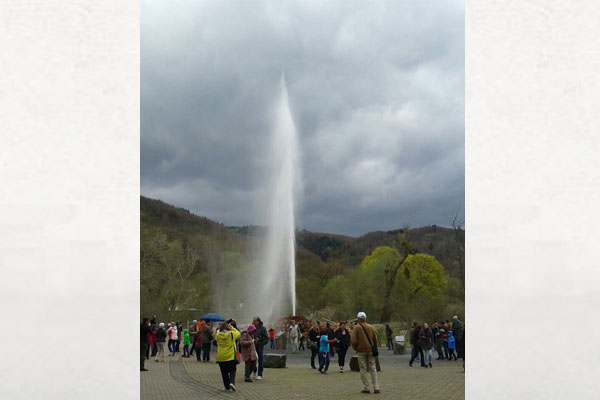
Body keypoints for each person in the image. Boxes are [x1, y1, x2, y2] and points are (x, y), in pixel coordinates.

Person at [351, 312, 380, 394]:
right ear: (365, 318)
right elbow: (375, 339)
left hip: (361, 351)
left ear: (358, 319)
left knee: (363, 369)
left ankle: (366, 387)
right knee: (373, 368)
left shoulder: (356, 328)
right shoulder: (371, 327)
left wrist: (356, 348)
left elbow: (353, 340)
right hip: (370, 350)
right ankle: (376, 387)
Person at [216, 321, 240, 391]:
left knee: (224, 372)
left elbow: (217, 333)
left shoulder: (218, 335)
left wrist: (221, 327)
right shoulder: (231, 334)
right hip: (230, 355)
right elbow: (238, 334)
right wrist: (232, 328)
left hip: (221, 356)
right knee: (233, 370)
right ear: (227, 327)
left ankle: (227, 387)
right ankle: (232, 382)